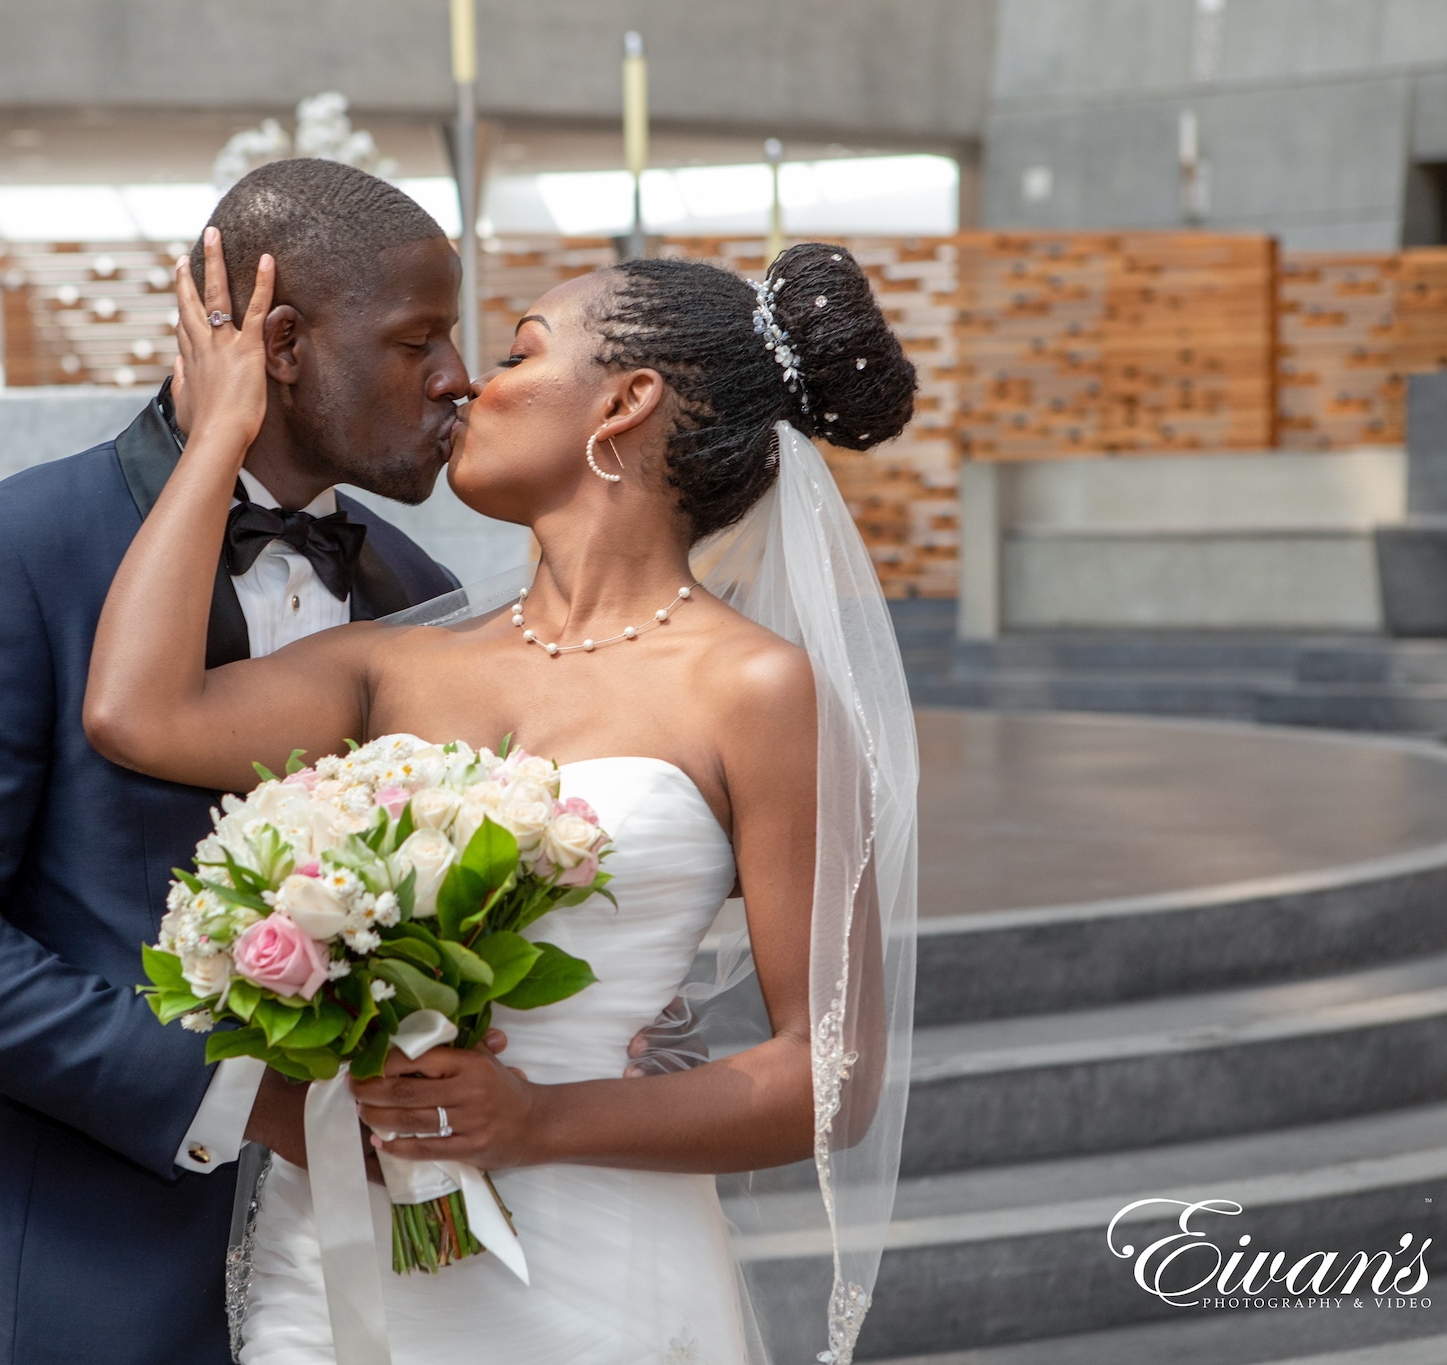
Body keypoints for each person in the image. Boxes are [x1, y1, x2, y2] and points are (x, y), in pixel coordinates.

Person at [83, 225, 921, 1365]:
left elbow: (828, 1076)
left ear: (621, 404)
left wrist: (537, 1119)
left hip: (593, 1261)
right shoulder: (395, 663)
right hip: (337, 1255)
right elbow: (136, 712)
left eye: (521, 353)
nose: (473, 381)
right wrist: (215, 432)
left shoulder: (756, 691)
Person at [0, 161, 468, 1365]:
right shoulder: (9, 554)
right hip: (95, 1268)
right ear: (279, 342)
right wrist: (240, 1101)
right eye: (416, 338)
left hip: (382, 1276)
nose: (456, 377)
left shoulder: (418, 595)